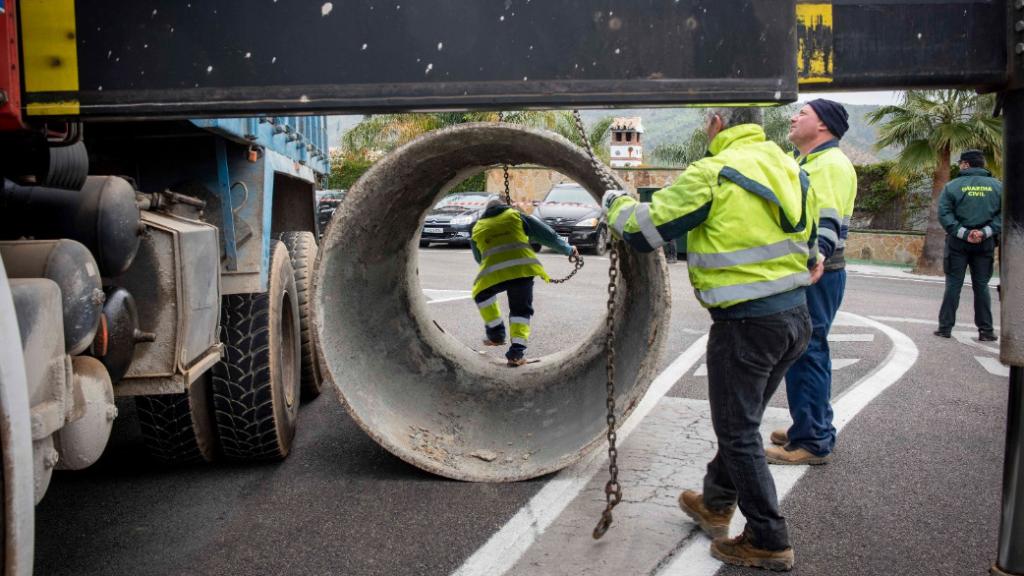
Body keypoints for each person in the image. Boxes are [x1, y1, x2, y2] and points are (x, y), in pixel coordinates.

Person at [604, 107, 818, 571]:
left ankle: (768, 538)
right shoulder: (790, 168)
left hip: (746, 327)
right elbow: (813, 243)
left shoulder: (714, 172)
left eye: (706, 120)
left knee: (738, 431)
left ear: (719, 121)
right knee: (744, 419)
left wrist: (613, 205)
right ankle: (716, 503)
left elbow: (645, 231)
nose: (704, 128)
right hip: (795, 318)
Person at [766, 99, 858, 466]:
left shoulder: (831, 164)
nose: (793, 117)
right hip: (812, 271)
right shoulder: (809, 161)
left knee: (807, 351)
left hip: (819, 272)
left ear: (823, 126)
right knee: (802, 350)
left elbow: (828, 217)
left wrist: (817, 253)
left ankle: (813, 440)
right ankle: (807, 423)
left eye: (802, 113)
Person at [470, 197, 578, 367]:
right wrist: (568, 249)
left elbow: (478, 258)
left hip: (494, 274)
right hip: (523, 271)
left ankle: (496, 334)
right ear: (504, 206)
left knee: (481, 294)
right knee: (520, 311)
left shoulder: (477, 227)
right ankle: (516, 355)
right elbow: (546, 235)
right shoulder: (515, 216)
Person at [935, 149, 1002, 341]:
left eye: (960, 163)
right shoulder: (998, 187)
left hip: (957, 244)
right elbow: (1004, 214)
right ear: (982, 165)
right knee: (981, 286)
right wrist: (985, 232)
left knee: (953, 285)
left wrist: (964, 233)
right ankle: (986, 331)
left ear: (966, 164)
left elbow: (944, 214)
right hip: (985, 244)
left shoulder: (953, 186)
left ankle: (945, 328)